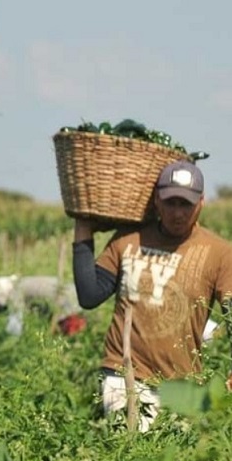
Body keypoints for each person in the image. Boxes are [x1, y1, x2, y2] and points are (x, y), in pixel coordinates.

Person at [72, 159, 232, 431]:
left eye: (186, 204)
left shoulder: (219, 252)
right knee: (136, 454)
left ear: (202, 203)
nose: (178, 213)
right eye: (171, 202)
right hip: (123, 377)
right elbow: (89, 295)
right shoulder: (128, 240)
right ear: (157, 200)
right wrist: (83, 230)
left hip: (184, 387)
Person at [0, 274, 87, 337]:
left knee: (70, 337)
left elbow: (15, 325)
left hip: (66, 303)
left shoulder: (15, 292)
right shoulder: (22, 282)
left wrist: (8, 340)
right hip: (75, 294)